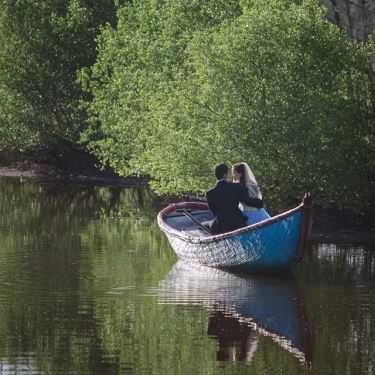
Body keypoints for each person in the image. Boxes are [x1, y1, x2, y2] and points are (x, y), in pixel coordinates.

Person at [206, 163, 263, 234]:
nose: (231, 175)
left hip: (222, 226)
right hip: (237, 223)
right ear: (225, 175)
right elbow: (247, 201)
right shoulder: (236, 187)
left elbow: (214, 212)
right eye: (229, 173)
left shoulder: (210, 193)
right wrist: (260, 203)